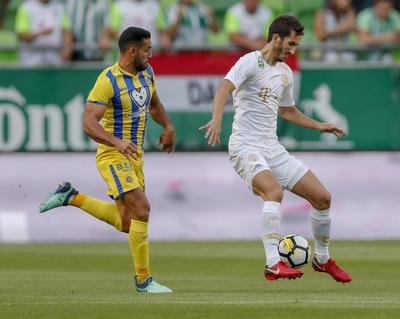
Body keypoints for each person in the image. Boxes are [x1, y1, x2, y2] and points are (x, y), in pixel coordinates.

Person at [200, 15, 352, 283]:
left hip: (272, 148)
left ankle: (323, 259)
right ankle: (273, 263)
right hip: (245, 145)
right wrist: (216, 118)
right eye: (290, 44)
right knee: (273, 192)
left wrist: (320, 126)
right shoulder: (250, 62)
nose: (293, 51)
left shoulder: (285, 73)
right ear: (276, 38)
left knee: (322, 198)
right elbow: (225, 86)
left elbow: (288, 111)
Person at [39, 27, 176, 293]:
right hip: (113, 154)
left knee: (128, 222)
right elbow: (88, 123)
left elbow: (155, 105)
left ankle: (71, 196)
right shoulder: (108, 80)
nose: (151, 54)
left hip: (134, 156)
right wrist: (116, 142)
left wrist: (168, 127)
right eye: (147, 49)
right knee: (143, 209)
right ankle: (144, 280)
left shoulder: (147, 73)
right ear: (132, 51)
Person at [15, 0, 73, 66]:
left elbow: (67, 32)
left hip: (54, 58)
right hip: (31, 58)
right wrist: (40, 34)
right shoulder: (26, 7)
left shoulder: (60, 7)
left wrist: (67, 51)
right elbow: (21, 35)